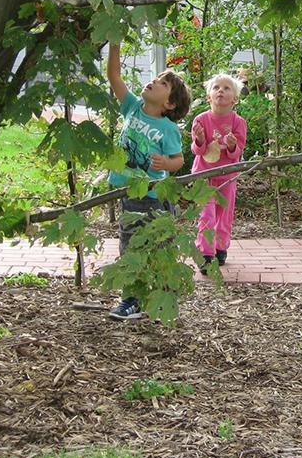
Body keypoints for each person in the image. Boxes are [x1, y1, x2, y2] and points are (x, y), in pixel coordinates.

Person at [105, 42, 191, 320]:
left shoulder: (167, 128)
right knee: (129, 243)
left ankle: (156, 297)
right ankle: (133, 297)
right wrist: (115, 44)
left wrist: (166, 164)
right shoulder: (132, 107)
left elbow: (178, 159)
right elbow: (114, 78)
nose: (154, 81)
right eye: (156, 78)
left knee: (152, 245)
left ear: (170, 103)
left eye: (163, 82)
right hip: (128, 192)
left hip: (152, 197)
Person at [191, 73, 247, 274]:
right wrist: (198, 140)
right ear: (208, 97)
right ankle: (206, 254)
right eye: (216, 88)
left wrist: (232, 146)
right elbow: (197, 151)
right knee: (206, 214)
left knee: (224, 214)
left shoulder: (238, 122)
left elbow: (238, 152)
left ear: (235, 99)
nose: (220, 91)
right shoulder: (201, 119)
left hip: (227, 176)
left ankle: (220, 247)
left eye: (226, 88)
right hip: (204, 175)